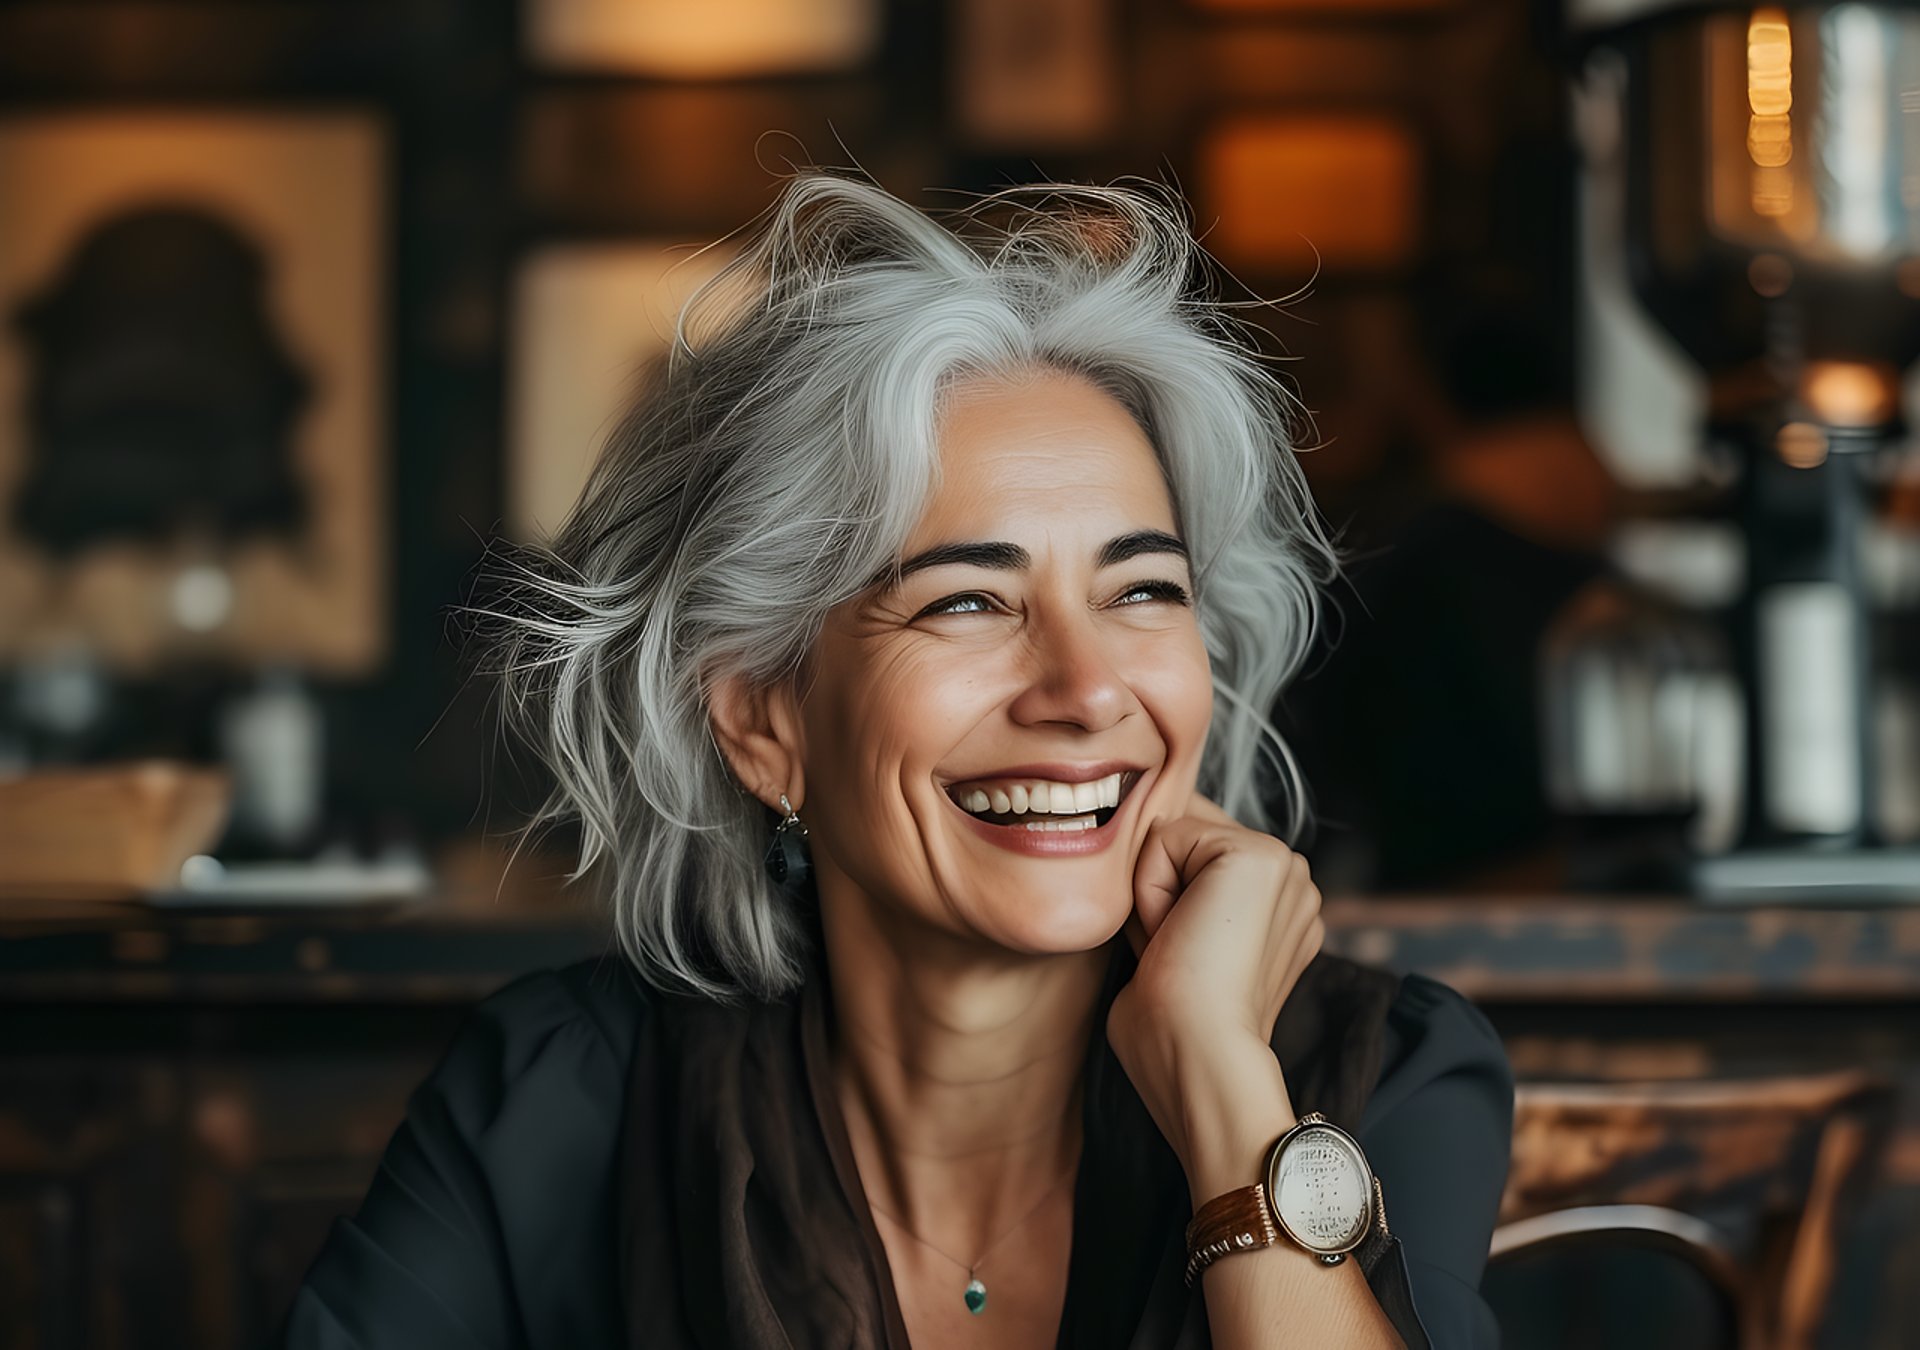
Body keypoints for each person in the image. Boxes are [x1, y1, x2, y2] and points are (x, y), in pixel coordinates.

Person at [281, 172, 1513, 1350]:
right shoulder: (557, 1101)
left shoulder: (1385, 1072)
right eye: (967, 602)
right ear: (765, 720)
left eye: (1141, 589)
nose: (1087, 692)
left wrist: (1219, 1078)